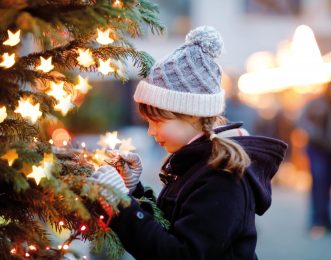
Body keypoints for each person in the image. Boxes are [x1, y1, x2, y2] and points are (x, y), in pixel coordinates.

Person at [90, 26, 287, 260]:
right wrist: (135, 191)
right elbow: (171, 224)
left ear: (192, 114)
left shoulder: (222, 178)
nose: (151, 132)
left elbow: (179, 253)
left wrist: (122, 204)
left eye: (158, 121)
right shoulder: (197, 162)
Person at [298, 80, 331, 238]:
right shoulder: (315, 104)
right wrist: (316, 134)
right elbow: (302, 121)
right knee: (319, 181)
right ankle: (316, 221)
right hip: (317, 148)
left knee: (329, 183)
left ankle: (327, 220)